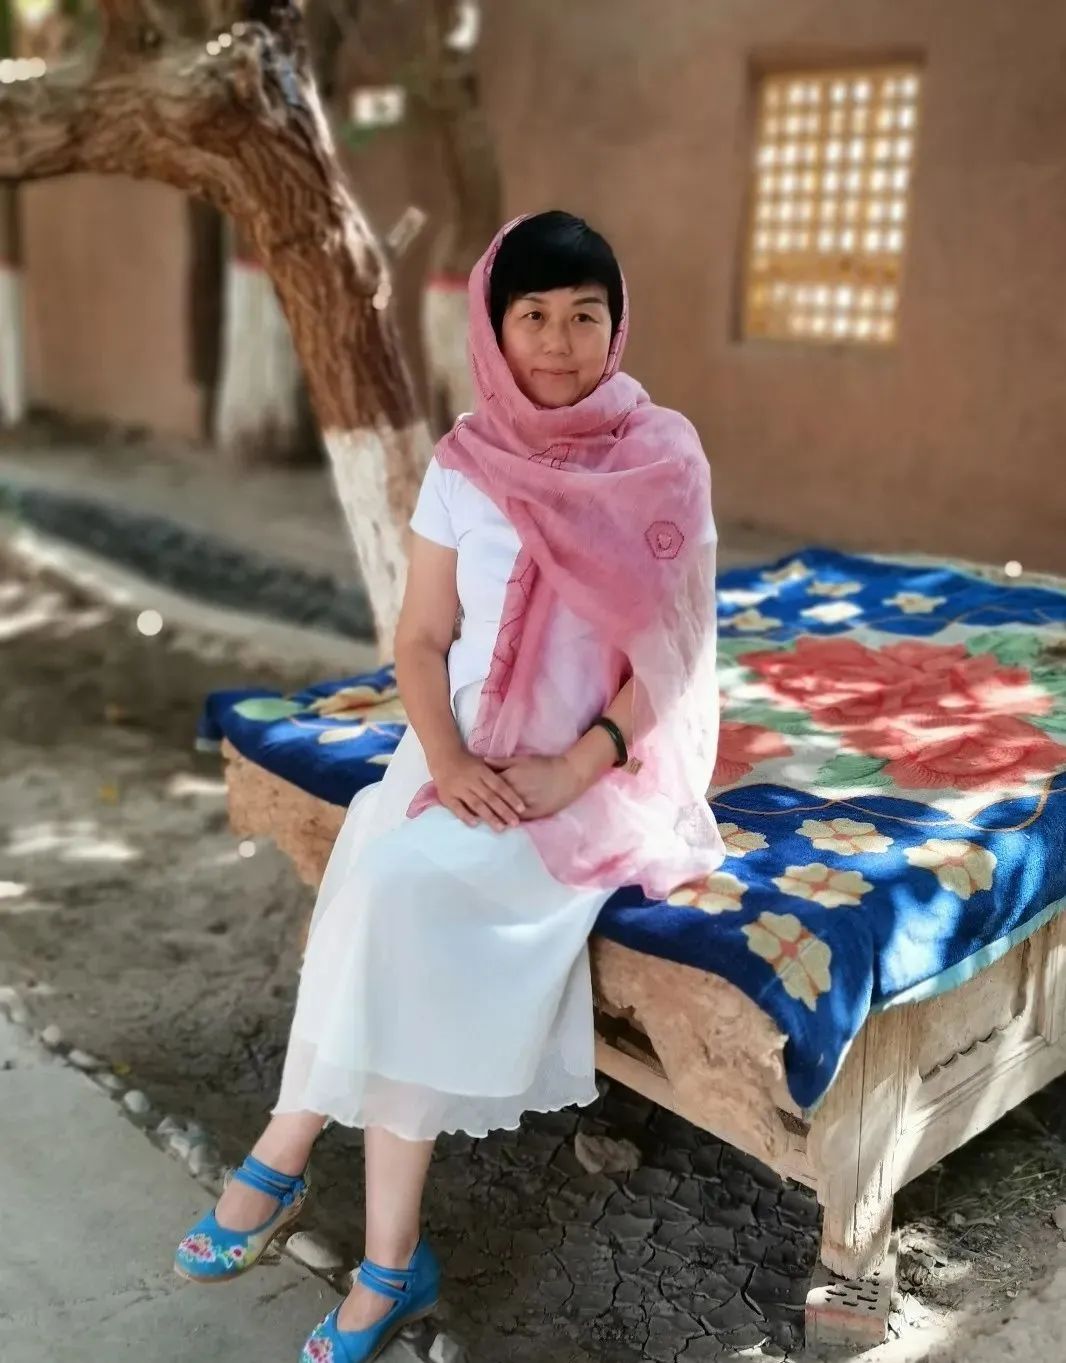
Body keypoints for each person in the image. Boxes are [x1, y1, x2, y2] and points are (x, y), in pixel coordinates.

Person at [174, 211, 723, 1362]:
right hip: (453, 752)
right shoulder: (466, 462)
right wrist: (453, 761)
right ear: (493, 327)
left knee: (394, 898)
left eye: (584, 315)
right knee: (385, 887)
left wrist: (567, 767)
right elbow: (421, 641)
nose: (560, 342)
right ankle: (384, 1256)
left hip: (588, 775)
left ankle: (293, 1165)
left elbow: (674, 662)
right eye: (534, 316)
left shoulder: (662, 457)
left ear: (618, 326)